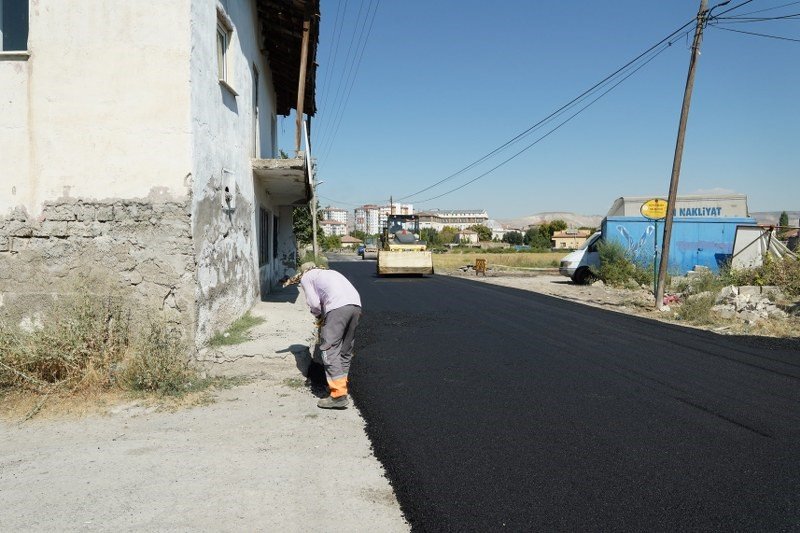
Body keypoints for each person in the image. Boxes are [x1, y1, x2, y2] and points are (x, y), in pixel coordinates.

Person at [285, 262, 362, 409]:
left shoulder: (307, 276)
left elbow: (313, 302)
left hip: (338, 307)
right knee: (345, 351)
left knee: (328, 349)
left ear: (302, 272)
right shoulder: (330, 273)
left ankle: (338, 395)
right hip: (356, 305)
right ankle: (341, 387)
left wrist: (318, 315)